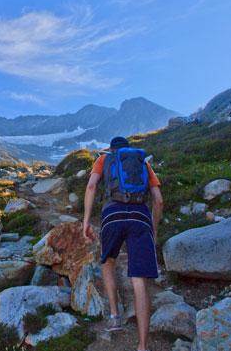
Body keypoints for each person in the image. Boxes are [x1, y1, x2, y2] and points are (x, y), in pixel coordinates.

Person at [83, 136, 163, 351]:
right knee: (139, 279)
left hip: (112, 215)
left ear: (111, 149)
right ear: (129, 149)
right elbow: (159, 199)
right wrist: (153, 229)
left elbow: (91, 187)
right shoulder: (142, 162)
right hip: (140, 217)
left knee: (109, 262)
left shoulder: (104, 160)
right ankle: (143, 346)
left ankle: (115, 317)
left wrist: (86, 221)